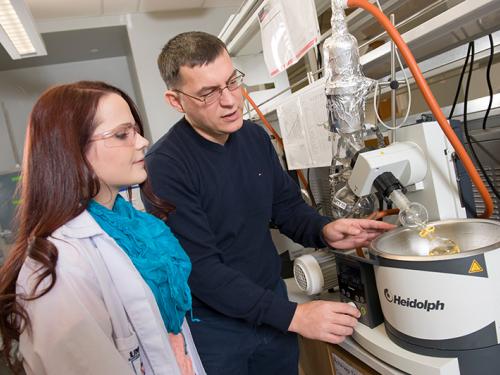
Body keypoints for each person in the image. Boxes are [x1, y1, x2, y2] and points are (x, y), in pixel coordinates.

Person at [145, 31, 395, 375]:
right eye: (208, 93)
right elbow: (201, 270)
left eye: (232, 82)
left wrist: (325, 230)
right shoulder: (164, 166)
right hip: (217, 329)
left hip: (270, 311)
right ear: (176, 100)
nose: (231, 100)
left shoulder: (253, 137)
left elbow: (287, 209)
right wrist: (295, 315)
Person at [0, 81, 205, 375]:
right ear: (72, 150)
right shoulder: (60, 265)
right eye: (123, 134)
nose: (142, 142)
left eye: (136, 130)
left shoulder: (136, 229)